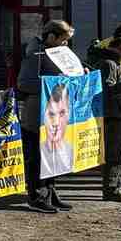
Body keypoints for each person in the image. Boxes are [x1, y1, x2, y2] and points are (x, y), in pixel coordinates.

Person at [17, 19, 75, 213]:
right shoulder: (36, 55)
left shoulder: (55, 53)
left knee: (53, 156)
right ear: (51, 37)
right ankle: (37, 195)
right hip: (36, 117)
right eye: (63, 40)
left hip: (54, 116)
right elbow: (24, 83)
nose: (65, 45)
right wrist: (53, 83)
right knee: (37, 157)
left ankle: (50, 192)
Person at [87, 29, 121, 203]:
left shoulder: (117, 62)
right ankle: (111, 188)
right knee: (116, 153)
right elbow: (108, 91)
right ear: (120, 47)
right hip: (115, 115)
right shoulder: (109, 64)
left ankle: (116, 185)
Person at [39, 84, 75, 180]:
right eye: (51, 114)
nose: (56, 122)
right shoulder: (39, 150)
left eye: (62, 113)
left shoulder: (73, 151)